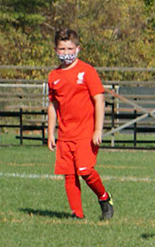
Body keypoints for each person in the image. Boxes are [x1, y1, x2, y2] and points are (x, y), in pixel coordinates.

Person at [44, 28, 114, 221]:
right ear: (55, 50)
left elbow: (99, 100)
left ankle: (104, 197)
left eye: (69, 49)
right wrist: (50, 133)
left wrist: (98, 129)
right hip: (65, 134)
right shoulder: (54, 76)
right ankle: (77, 215)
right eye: (62, 49)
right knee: (69, 174)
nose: (66, 53)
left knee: (85, 170)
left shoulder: (87, 71)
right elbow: (53, 105)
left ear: (78, 48)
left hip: (85, 132)